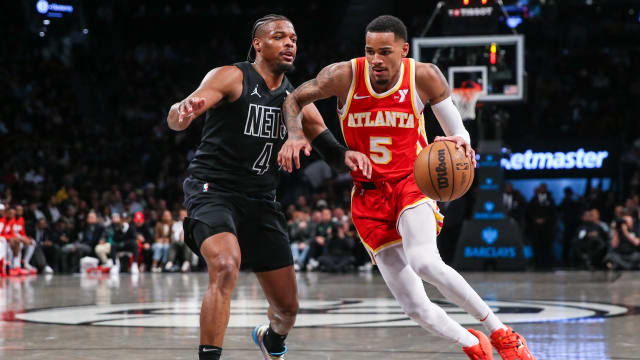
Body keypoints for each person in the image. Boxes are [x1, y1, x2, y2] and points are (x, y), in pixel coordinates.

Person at [278, 15, 535, 360]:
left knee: (424, 261)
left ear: (404, 50)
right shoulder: (343, 76)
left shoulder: (424, 76)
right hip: (368, 196)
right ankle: (474, 344)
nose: (376, 60)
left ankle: (502, 333)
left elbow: (458, 132)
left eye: (385, 52)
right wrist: (296, 135)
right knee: (414, 306)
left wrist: (460, 144)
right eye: (370, 51)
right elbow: (293, 99)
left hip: (412, 184)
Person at [166, 14, 370, 360]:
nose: (290, 43)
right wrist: (182, 112)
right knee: (226, 266)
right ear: (258, 44)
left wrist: (350, 158)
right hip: (213, 191)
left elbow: (331, 149)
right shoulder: (232, 76)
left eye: (293, 38)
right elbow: (177, 116)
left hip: (262, 199)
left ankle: (271, 339)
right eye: (279, 37)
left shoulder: (296, 97)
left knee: (288, 309)